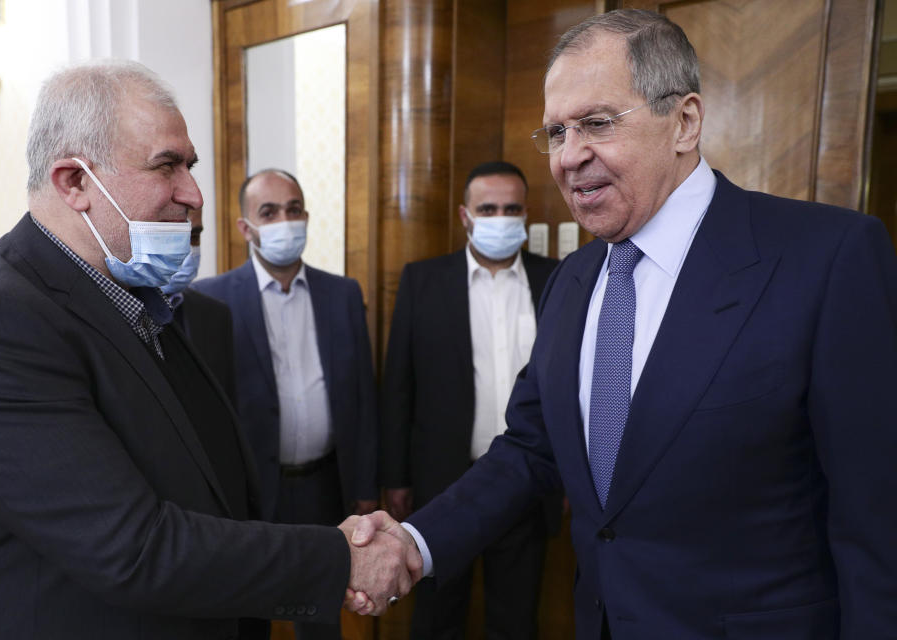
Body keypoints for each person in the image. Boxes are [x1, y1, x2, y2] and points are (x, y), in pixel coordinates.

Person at [349, 9, 897, 639]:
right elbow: (531, 449)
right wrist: (416, 543)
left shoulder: (826, 258)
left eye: (597, 124)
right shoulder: (572, 281)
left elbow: (875, 521)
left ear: (684, 122)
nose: (569, 157)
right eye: (556, 132)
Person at [0, 60, 416, 640]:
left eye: (190, 165)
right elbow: (133, 548)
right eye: (167, 166)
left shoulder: (135, 298)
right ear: (75, 182)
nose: (193, 194)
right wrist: (342, 558)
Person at [193, 168, 380, 639]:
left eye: (293, 210)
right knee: (248, 618)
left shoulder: (342, 293)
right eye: (269, 212)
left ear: (307, 217)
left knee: (322, 619)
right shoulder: (209, 300)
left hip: (323, 485)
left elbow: (363, 397)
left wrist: (365, 485)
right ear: (245, 227)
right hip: (251, 492)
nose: (284, 221)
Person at [381, 160, 559, 639]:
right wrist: (396, 477)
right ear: (465, 215)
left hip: (529, 482)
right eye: (488, 208)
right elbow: (400, 385)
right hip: (444, 481)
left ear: (524, 215)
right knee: (438, 615)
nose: (500, 218)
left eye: (511, 208)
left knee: (516, 616)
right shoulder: (424, 281)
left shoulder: (558, 280)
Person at [165, 208, 238, 405]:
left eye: (194, 236)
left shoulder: (216, 314)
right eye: (175, 234)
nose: (187, 248)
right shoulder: (112, 313)